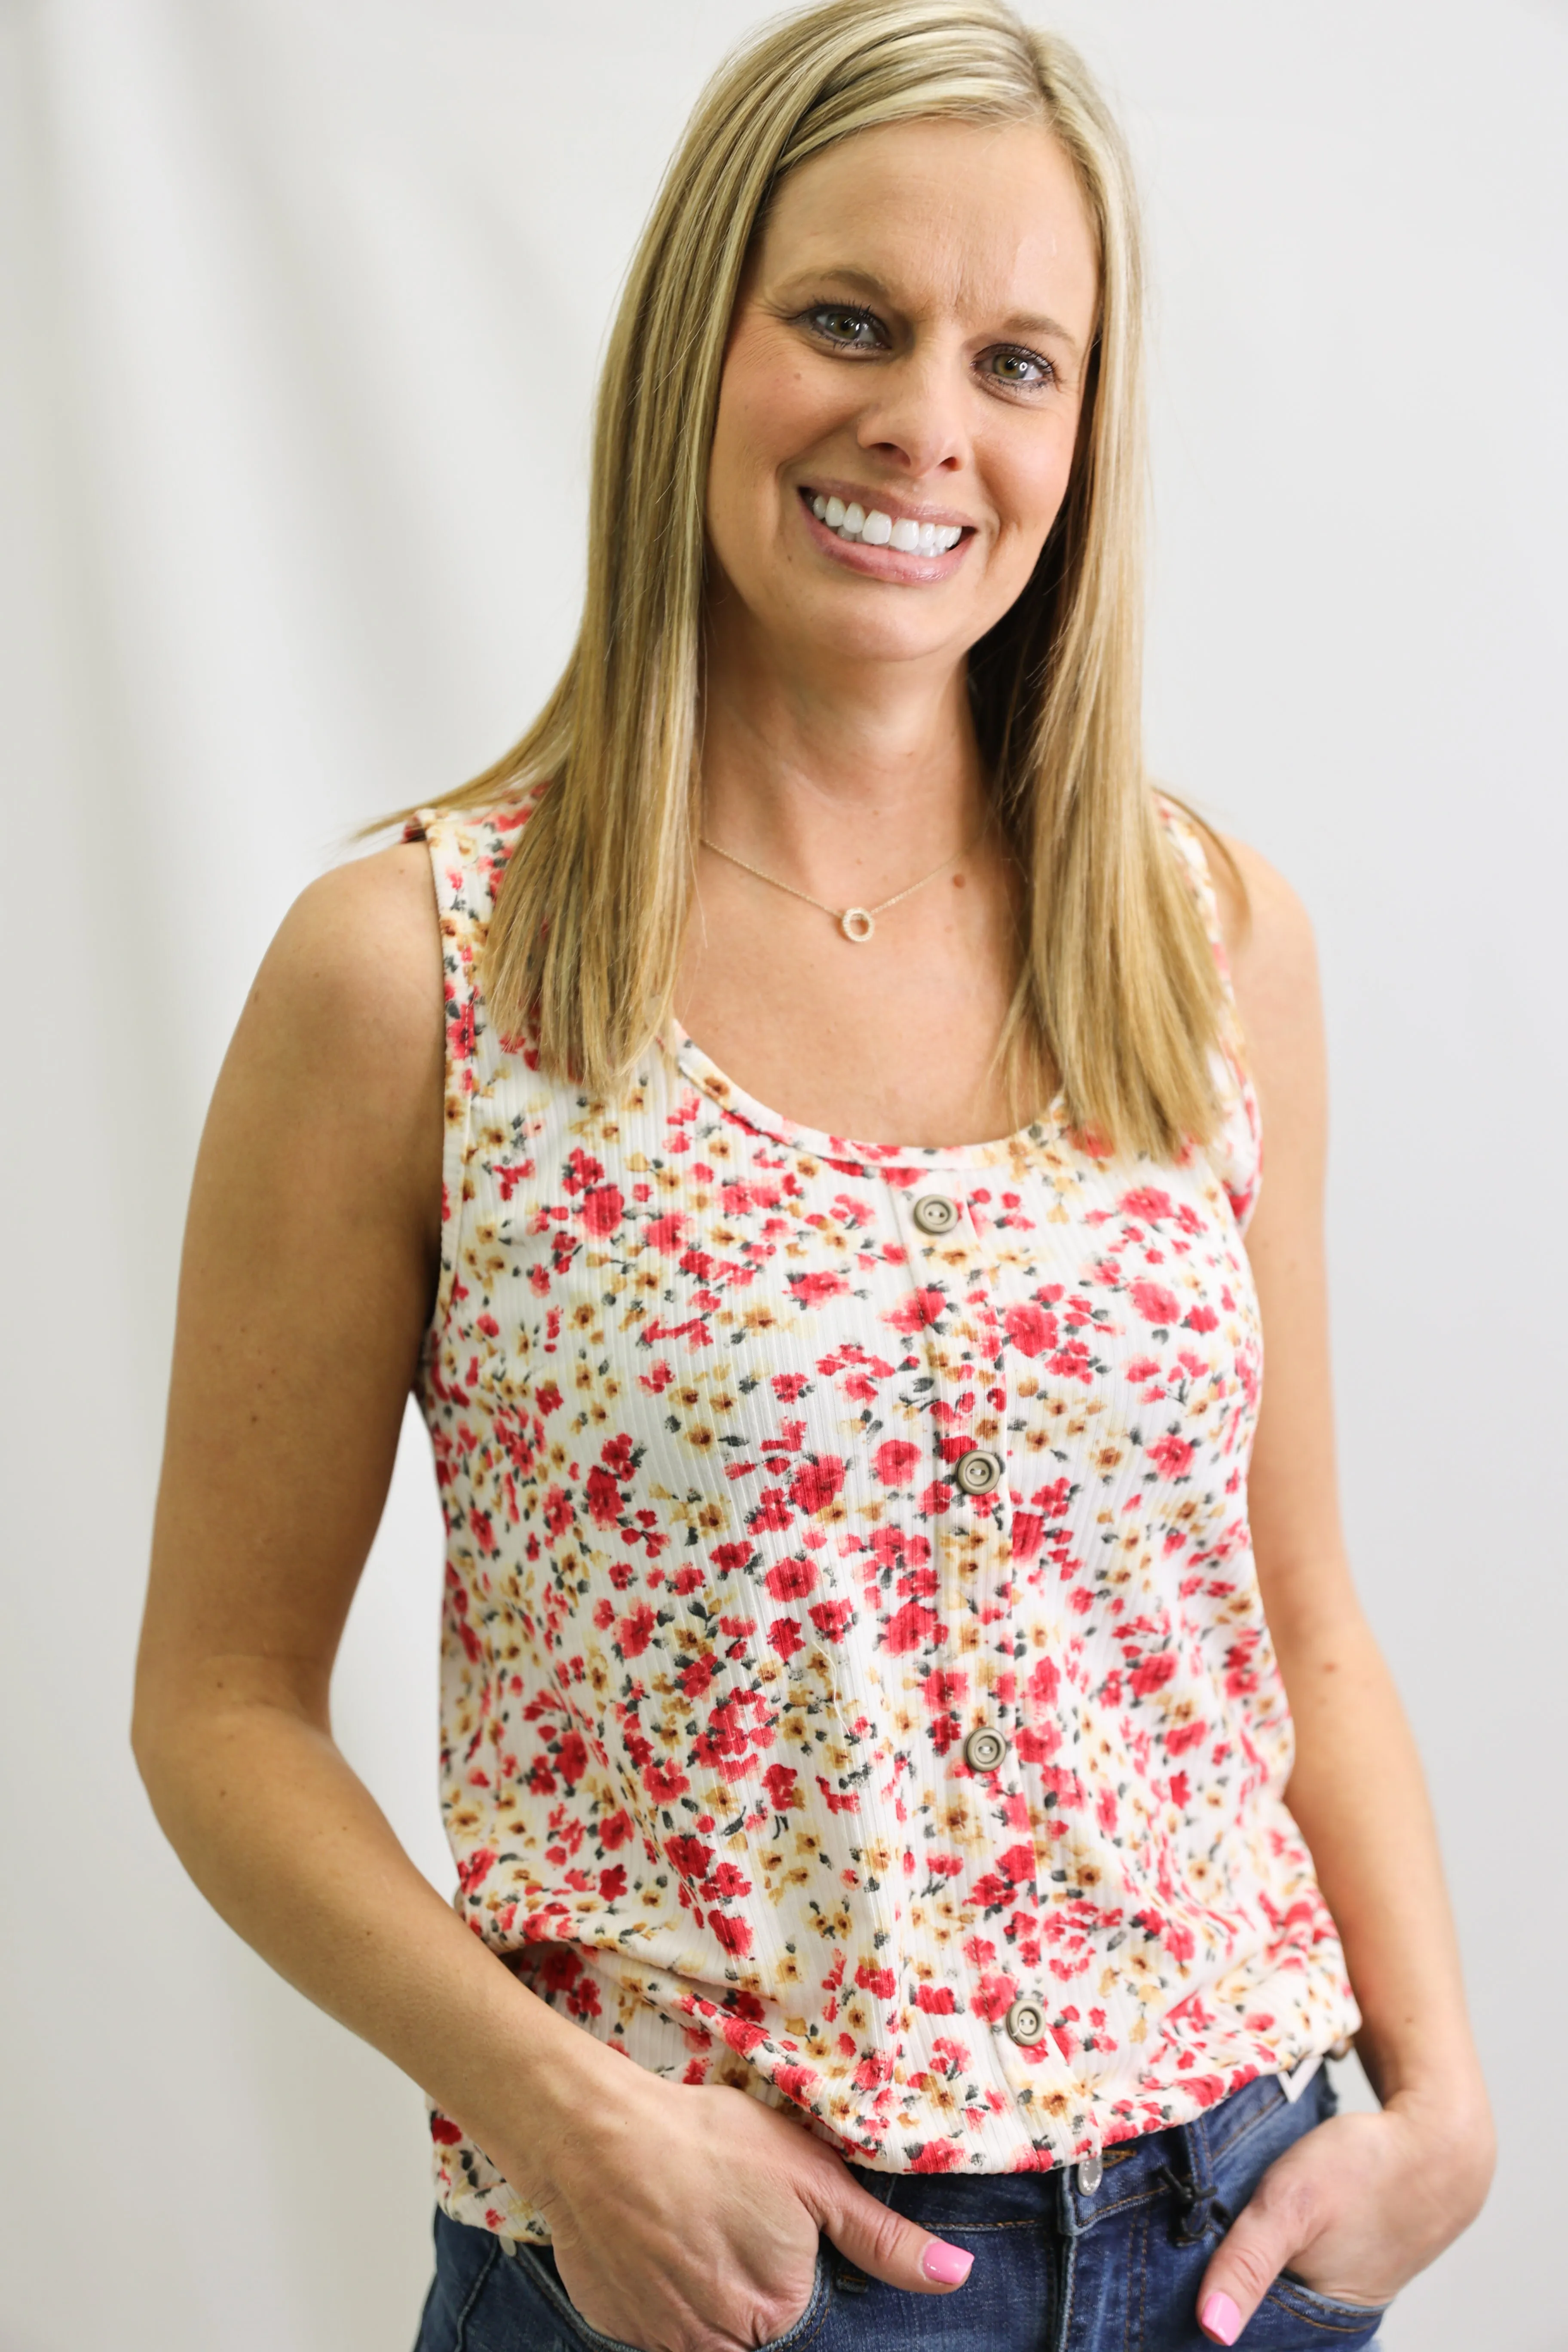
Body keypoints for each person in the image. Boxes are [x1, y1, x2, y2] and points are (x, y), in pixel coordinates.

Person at [132, 4, 1494, 2346]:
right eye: (850, 321)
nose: (928, 427)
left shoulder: (1203, 941)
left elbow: (1307, 1613)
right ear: (702, 348)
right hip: (726, 2271)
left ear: (1089, 427)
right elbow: (221, 1706)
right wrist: (561, 2113)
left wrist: (1448, 2100)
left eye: (1019, 361)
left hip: (1243, 2238)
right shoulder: (421, 972)